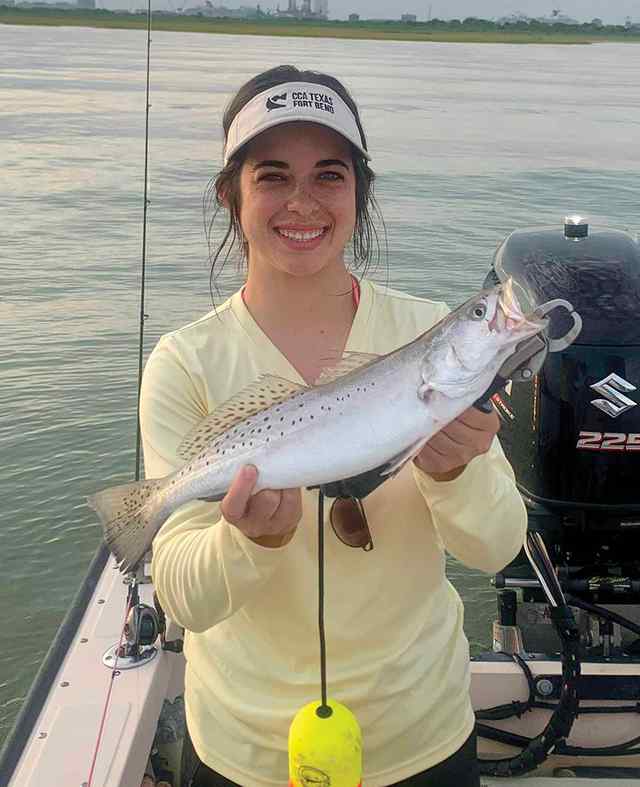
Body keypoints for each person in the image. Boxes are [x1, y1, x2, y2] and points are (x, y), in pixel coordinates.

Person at [140, 65, 528, 787]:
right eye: (272, 176)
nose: (302, 202)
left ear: (359, 193)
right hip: (244, 748)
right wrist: (245, 542)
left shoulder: (423, 334)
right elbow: (183, 596)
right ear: (233, 195)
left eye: (328, 174)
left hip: (419, 734)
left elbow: (498, 544)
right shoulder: (185, 364)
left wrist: (454, 473)